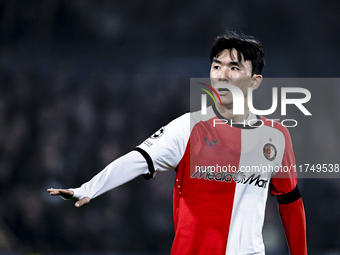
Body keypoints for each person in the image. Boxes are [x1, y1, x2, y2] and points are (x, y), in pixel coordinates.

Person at [48, 31, 307, 255]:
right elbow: (138, 159)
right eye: (216, 66)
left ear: (255, 81)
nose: (222, 75)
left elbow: (290, 203)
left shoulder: (276, 136)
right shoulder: (188, 127)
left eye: (234, 67)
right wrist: (88, 189)